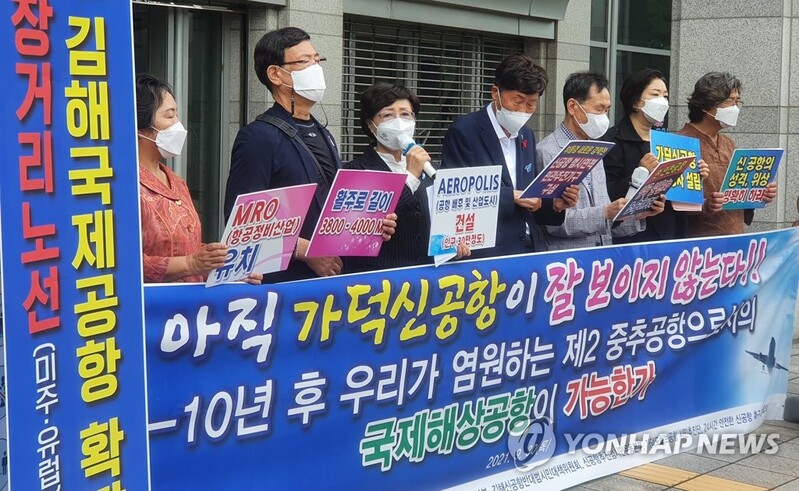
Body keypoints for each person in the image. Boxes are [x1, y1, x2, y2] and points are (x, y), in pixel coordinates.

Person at [223, 27, 395, 282]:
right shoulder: (259, 137)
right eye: (305, 62)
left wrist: (369, 223)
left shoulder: (322, 132)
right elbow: (243, 227)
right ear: (275, 74)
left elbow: (331, 209)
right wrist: (305, 251)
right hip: (286, 287)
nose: (316, 68)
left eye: (317, 60)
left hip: (329, 286)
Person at [440, 54, 578, 257]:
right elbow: (455, 197)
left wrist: (555, 204)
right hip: (487, 253)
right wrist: (510, 197)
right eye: (517, 101)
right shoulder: (465, 130)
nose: (523, 110)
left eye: (531, 104)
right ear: (496, 93)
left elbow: (529, 196)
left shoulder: (526, 134)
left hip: (528, 247)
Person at [137, 74, 260, 283]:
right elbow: (121, 263)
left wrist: (230, 266)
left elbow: (191, 251)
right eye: (169, 116)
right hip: (150, 311)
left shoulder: (176, 182)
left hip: (190, 310)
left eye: (177, 114)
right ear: (140, 127)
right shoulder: (123, 185)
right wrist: (190, 264)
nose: (178, 124)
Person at [344, 82, 469, 272]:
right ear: (370, 125)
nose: (398, 121)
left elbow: (440, 224)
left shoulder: (428, 168)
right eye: (387, 115)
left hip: (427, 281)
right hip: (382, 282)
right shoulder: (357, 171)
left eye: (405, 114)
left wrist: (452, 247)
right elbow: (362, 233)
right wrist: (410, 176)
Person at [536, 72, 665, 251]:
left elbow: (608, 226)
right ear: (573, 106)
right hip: (567, 264)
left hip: (602, 261)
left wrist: (638, 215)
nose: (604, 116)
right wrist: (605, 212)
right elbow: (555, 223)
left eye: (607, 110)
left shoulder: (595, 148)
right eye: (599, 109)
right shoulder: (548, 151)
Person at [676, 72, 777, 237]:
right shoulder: (680, 141)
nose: (735, 108)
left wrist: (760, 193)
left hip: (733, 239)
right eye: (729, 102)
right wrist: (705, 205)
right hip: (696, 247)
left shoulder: (728, 143)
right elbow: (671, 204)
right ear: (705, 105)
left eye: (737, 102)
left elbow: (736, 195)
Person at [600, 69, 684, 243]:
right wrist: (640, 173)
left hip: (668, 234)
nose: (662, 101)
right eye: (655, 94)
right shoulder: (613, 140)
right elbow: (605, 191)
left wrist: (694, 175)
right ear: (636, 102)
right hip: (632, 238)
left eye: (665, 96)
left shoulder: (667, 142)